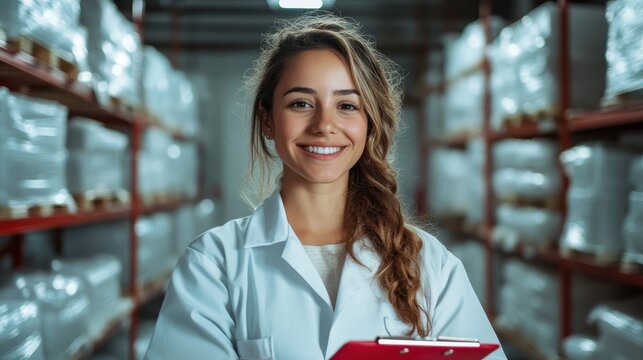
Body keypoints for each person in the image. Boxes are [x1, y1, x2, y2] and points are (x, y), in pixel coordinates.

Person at [146, 14, 506, 360]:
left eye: (347, 105)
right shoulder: (215, 265)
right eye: (301, 103)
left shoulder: (429, 264)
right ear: (267, 119)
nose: (324, 124)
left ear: (370, 124)